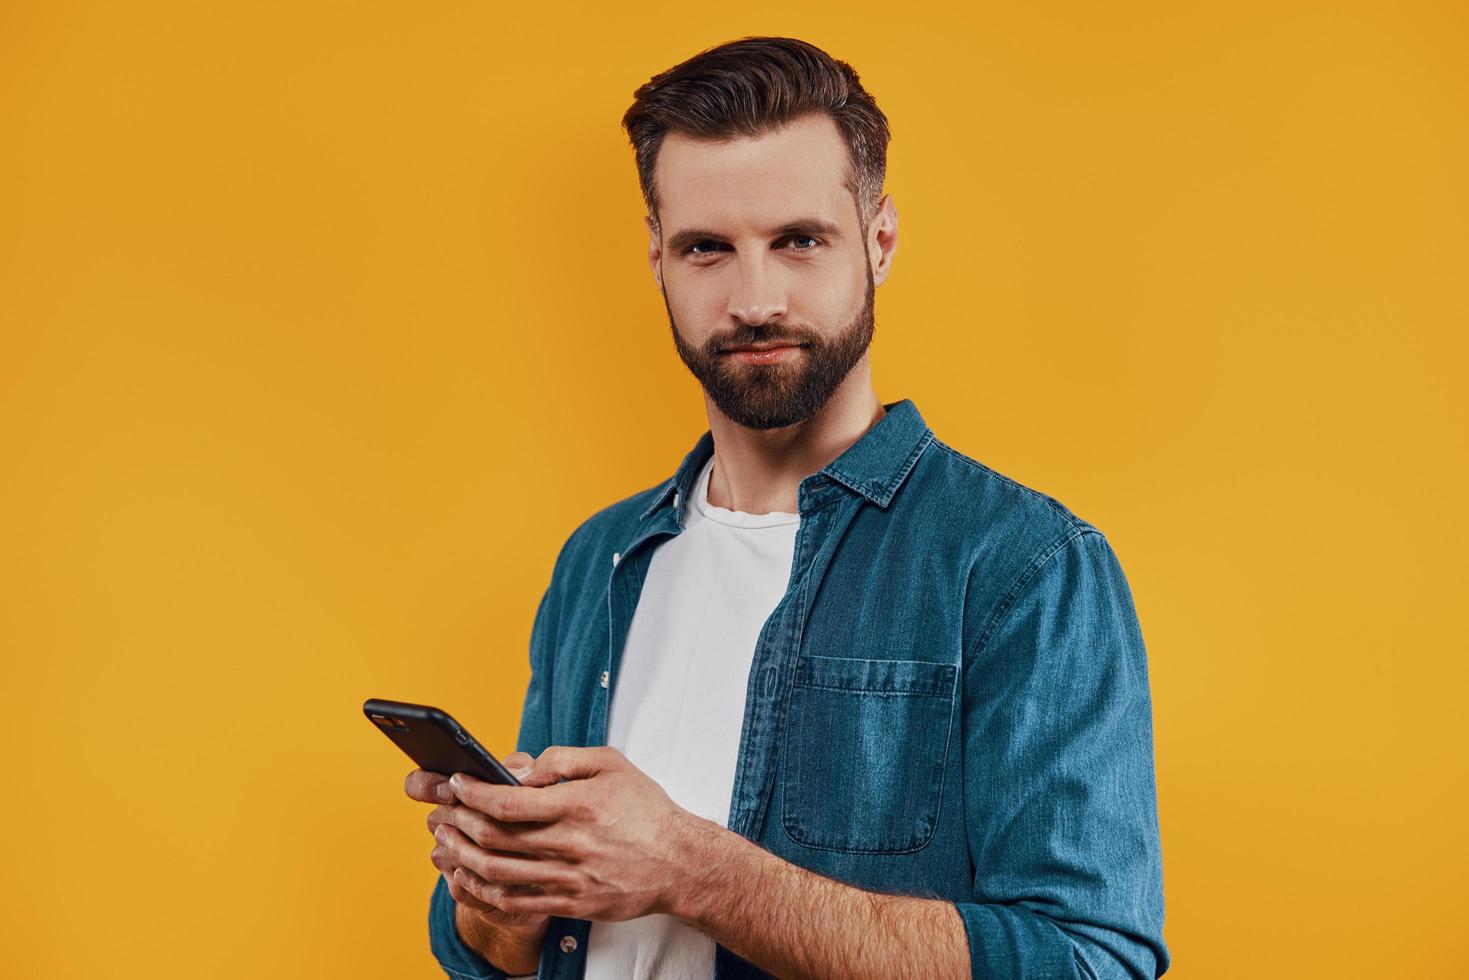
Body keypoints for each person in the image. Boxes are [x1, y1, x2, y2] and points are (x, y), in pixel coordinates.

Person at [403, 35, 1169, 980]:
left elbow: (1092, 960)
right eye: (707, 249)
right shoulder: (599, 559)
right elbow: (515, 957)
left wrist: (693, 870)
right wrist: (498, 901)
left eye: (799, 241)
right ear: (656, 259)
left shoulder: (1022, 565)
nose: (754, 298)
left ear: (879, 242)